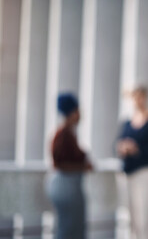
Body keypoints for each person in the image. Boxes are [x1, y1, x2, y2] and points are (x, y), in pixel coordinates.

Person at [116, 85, 148, 239]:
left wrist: (137, 149)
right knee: (131, 218)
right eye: (134, 97)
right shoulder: (127, 122)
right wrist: (123, 148)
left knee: (144, 217)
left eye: (140, 96)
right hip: (127, 173)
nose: (137, 100)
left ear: (146, 97)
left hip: (145, 172)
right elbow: (116, 143)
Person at [46, 93, 93, 239]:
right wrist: (83, 167)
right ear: (72, 113)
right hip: (66, 187)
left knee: (72, 227)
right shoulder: (62, 135)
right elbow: (60, 164)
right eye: (78, 111)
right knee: (68, 228)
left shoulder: (69, 134)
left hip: (69, 186)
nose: (80, 115)